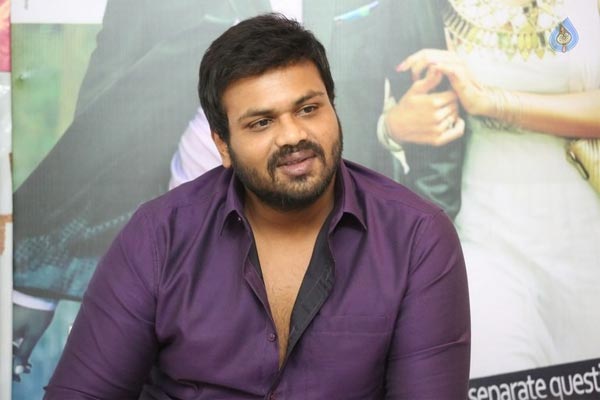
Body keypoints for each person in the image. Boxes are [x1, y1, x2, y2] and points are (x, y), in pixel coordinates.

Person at [44, 14, 470, 399]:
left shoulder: (416, 237)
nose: (293, 135)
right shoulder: (159, 236)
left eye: (308, 109)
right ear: (222, 145)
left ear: (333, 109)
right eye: (262, 122)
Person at [381, 0, 600, 377]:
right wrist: (392, 125)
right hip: (486, 228)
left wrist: (489, 102)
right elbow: (365, 96)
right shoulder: (424, 8)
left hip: (582, 224)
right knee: (498, 369)